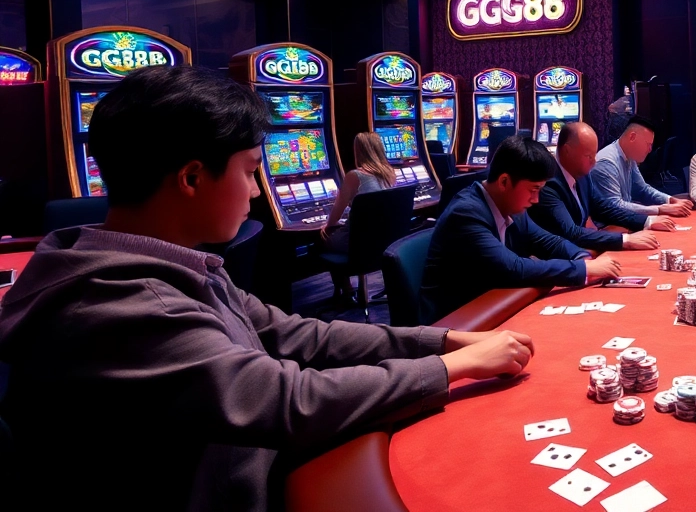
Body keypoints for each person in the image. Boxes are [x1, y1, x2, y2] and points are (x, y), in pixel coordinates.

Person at [0, 66, 534, 511]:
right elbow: (286, 400)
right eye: (253, 171)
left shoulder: (178, 265)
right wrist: (451, 369)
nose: (259, 192)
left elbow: (300, 335)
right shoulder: (123, 304)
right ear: (190, 178)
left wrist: (442, 342)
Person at [424, 135, 623, 315]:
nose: (536, 199)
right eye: (533, 189)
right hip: (453, 319)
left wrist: (581, 256)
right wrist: (584, 269)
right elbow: (513, 268)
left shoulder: (512, 207)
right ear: (504, 182)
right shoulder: (466, 213)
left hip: (493, 301)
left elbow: (548, 241)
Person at [532, 122, 676, 252]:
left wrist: (646, 221)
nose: (594, 162)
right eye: (589, 156)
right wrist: (625, 240)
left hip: (580, 248)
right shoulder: (549, 184)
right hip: (558, 257)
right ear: (567, 151)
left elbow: (603, 207)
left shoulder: (582, 174)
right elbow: (572, 232)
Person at [319, 131, 396, 301]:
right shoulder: (390, 173)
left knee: (324, 236)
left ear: (359, 151)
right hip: (383, 242)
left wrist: (328, 223)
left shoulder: (355, 175)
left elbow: (334, 217)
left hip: (359, 245)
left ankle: (346, 290)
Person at [590, 114, 693, 224]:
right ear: (632, 137)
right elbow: (615, 207)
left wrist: (670, 200)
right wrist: (660, 209)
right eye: (648, 144)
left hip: (626, 220)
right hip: (607, 227)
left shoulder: (629, 156)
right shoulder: (606, 163)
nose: (650, 150)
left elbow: (642, 190)